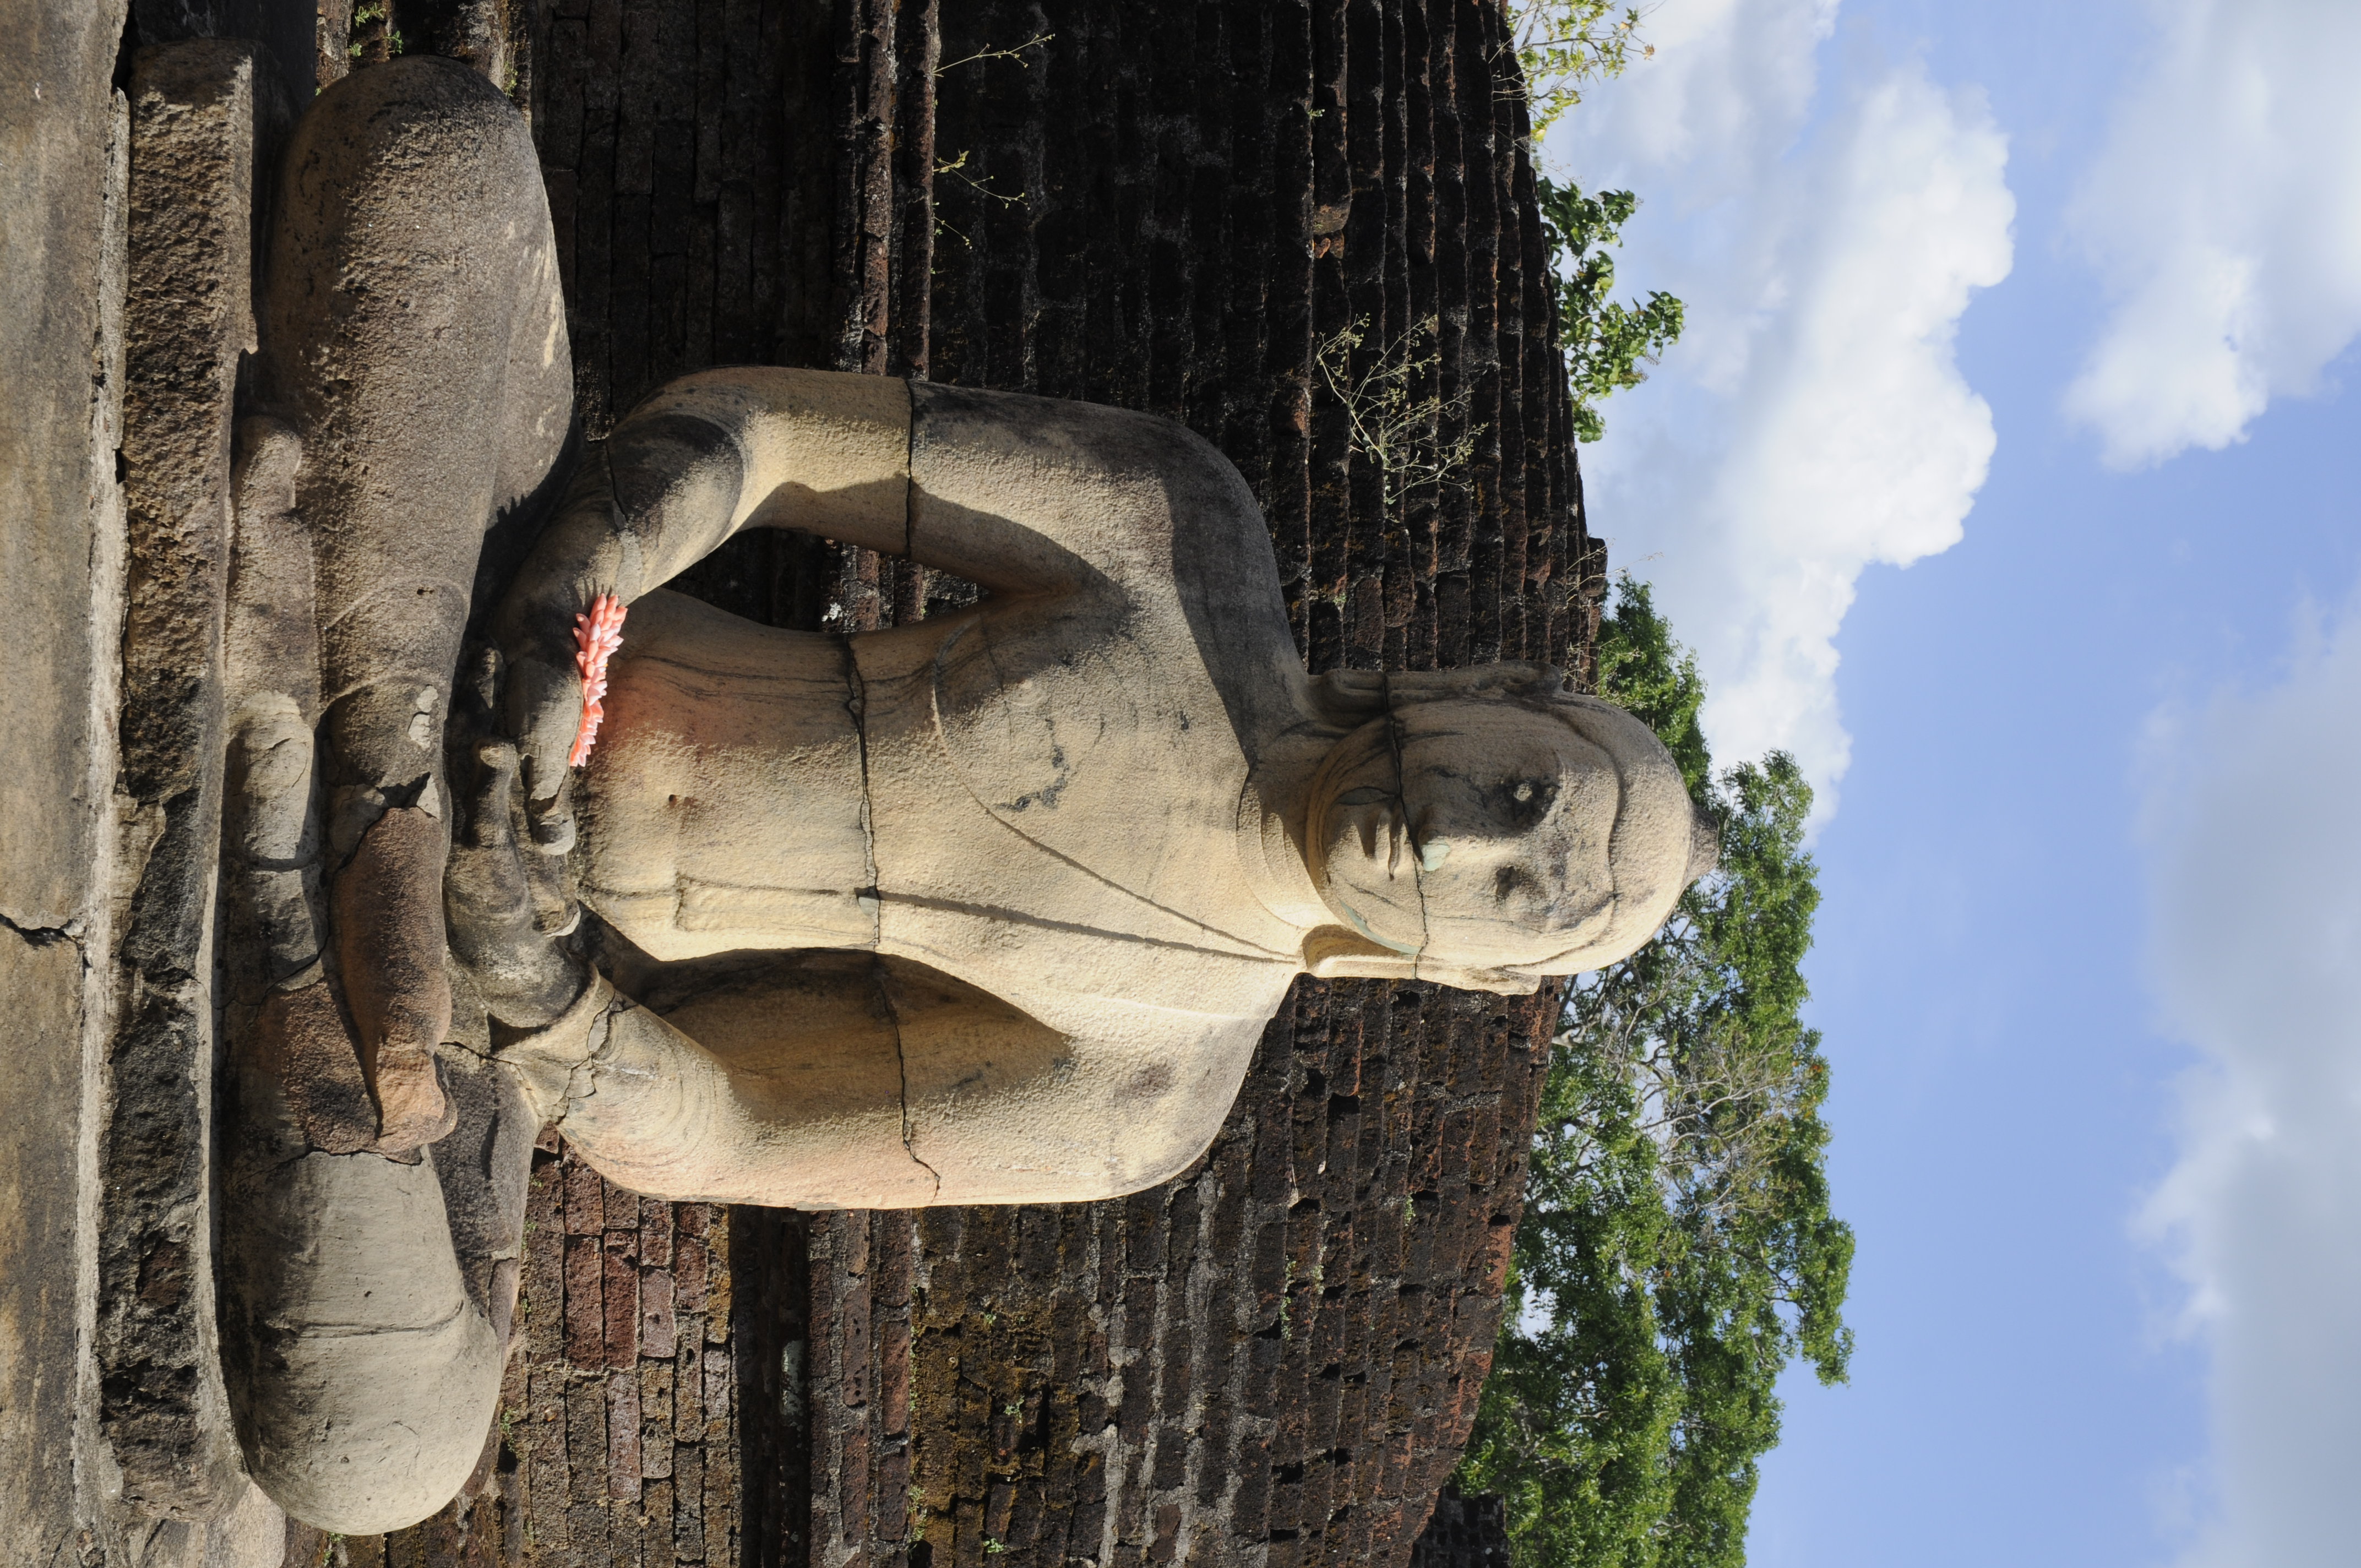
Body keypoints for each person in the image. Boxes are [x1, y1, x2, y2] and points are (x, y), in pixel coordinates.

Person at [218, 53, 1711, 1536]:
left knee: (384, 1452)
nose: (1456, 839)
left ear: (1462, 970)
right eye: (1519, 792)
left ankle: (344, 811)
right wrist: (583, 582)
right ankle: (366, 780)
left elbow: (740, 1126)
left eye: (1517, 896)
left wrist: (544, 998)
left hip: (515, 944)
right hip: (517, 600)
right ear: (1480, 693)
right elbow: (767, 438)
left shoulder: (1151, 1091)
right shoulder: (1184, 538)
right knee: (441, 148)